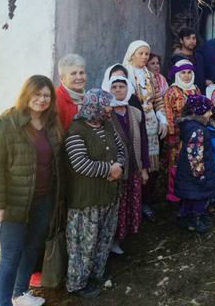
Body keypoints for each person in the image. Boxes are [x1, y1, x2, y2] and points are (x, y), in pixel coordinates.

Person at [0, 75, 64, 306]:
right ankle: (3, 303)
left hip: (43, 199)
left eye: (46, 95)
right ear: (26, 94)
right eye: (37, 94)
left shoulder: (51, 124)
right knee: (11, 254)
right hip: (13, 202)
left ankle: (20, 295)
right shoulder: (5, 125)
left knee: (32, 248)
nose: (41, 99)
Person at [64, 89, 126, 298]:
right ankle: (77, 283)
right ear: (95, 107)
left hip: (109, 194)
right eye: (106, 105)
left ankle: (96, 274)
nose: (110, 108)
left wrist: (120, 166)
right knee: (84, 244)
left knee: (104, 237)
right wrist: (110, 169)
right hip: (87, 200)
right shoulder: (76, 130)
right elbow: (80, 163)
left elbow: (121, 149)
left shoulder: (107, 124)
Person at [101, 72, 149, 255]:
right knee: (117, 206)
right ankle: (113, 240)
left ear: (128, 89)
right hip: (116, 170)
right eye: (114, 87)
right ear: (109, 89)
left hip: (135, 167)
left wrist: (144, 168)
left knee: (133, 201)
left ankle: (127, 237)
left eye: (122, 87)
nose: (119, 90)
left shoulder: (135, 112)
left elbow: (143, 141)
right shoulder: (106, 115)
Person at [123, 40, 168, 219]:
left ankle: (146, 201)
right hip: (135, 123)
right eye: (140, 53)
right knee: (137, 163)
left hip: (151, 123)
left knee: (152, 166)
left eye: (146, 54)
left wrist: (162, 119)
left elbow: (157, 99)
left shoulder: (149, 75)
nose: (144, 57)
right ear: (132, 54)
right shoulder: (125, 73)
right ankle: (133, 204)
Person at [174, 95, 215, 234]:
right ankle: (195, 219)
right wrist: (200, 175)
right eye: (208, 110)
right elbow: (195, 155)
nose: (211, 113)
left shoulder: (190, 126)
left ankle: (184, 216)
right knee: (199, 197)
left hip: (187, 172)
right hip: (196, 173)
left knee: (189, 196)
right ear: (199, 112)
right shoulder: (198, 130)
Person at [164, 60, 201, 202]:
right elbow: (168, 112)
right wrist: (172, 133)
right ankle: (175, 194)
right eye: (183, 73)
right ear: (177, 74)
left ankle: (191, 192)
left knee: (192, 161)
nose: (186, 76)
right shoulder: (172, 91)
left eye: (189, 72)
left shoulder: (196, 89)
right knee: (176, 164)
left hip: (194, 133)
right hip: (178, 135)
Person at [56, 53, 87, 130]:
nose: (79, 77)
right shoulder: (56, 99)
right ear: (62, 78)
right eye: (73, 73)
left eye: (81, 72)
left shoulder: (89, 97)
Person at [171, 26, 206, 92]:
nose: (192, 41)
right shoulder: (177, 59)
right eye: (188, 38)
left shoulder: (199, 57)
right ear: (181, 40)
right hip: (182, 96)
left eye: (193, 38)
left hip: (199, 94)